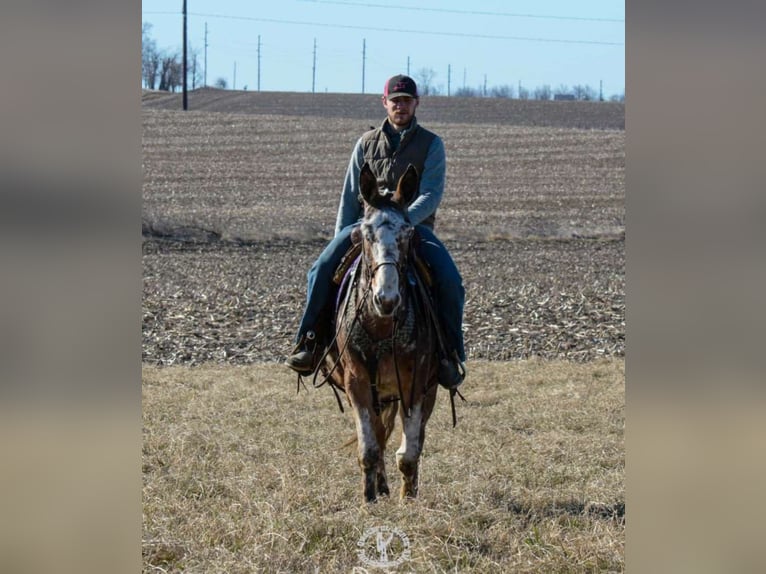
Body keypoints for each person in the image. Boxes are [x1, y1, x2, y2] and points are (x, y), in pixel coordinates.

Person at [285, 74, 465, 389]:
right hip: (365, 229)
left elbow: (432, 193)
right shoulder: (365, 144)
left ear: (416, 103)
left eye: (407, 100)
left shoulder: (431, 144)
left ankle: (450, 355)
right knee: (321, 269)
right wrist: (340, 239)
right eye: (395, 101)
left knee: (450, 280)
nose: (401, 106)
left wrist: (398, 220)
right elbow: (349, 195)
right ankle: (310, 342)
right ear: (385, 103)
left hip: (412, 230)